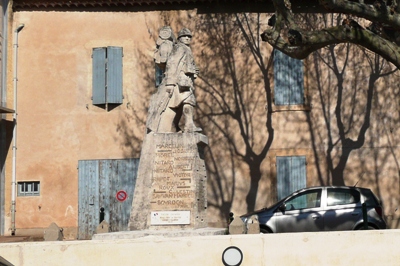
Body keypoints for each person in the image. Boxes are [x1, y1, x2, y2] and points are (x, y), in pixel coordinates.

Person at [156, 28, 202, 133]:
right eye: (184, 36)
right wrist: (170, 83)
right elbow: (172, 63)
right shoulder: (179, 48)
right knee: (188, 101)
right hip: (180, 80)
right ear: (179, 38)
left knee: (183, 104)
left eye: (189, 36)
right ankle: (188, 125)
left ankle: (179, 126)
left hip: (186, 80)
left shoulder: (186, 49)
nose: (187, 38)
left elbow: (187, 64)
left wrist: (194, 69)